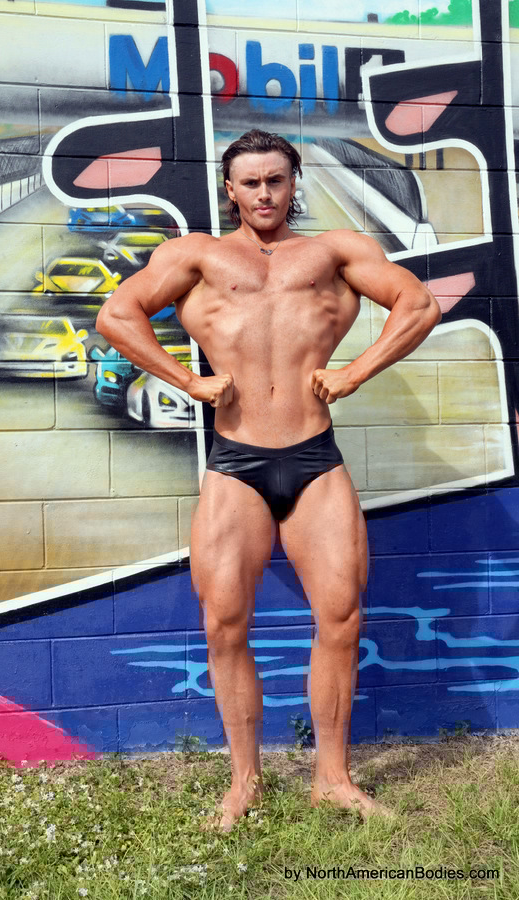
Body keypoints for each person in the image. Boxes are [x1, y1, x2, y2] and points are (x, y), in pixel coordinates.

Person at [96, 129, 441, 830]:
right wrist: (187, 380)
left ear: (293, 182)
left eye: (275, 180)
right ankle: (244, 783)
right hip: (235, 463)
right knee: (224, 624)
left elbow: (419, 305)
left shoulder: (335, 251)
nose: (263, 194)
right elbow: (116, 315)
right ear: (230, 188)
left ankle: (333, 779)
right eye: (250, 182)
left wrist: (355, 372)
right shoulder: (194, 255)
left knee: (340, 617)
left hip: (315, 459)